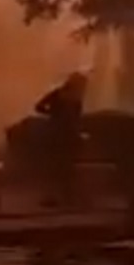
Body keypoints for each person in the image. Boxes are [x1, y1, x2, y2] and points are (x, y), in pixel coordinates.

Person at [34, 72, 88, 208]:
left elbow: (39, 107)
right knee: (63, 167)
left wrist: (53, 114)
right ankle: (63, 197)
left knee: (58, 167)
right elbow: (77, 117)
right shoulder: (74, 97)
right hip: (64, 136)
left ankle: (58, 197)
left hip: (59, 134)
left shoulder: (62, 95)